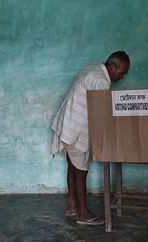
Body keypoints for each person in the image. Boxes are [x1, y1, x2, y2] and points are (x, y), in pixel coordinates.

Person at [51, 51, 130, 225]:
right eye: (121, 72)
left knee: (72, 166)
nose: (122, 77)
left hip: (67, 125)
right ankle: (83, 213)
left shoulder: (91, 69)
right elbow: (101, 115)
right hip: (77, 130)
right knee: (81, 173)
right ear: (111, 67)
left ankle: (72, 205)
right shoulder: (100, 81)